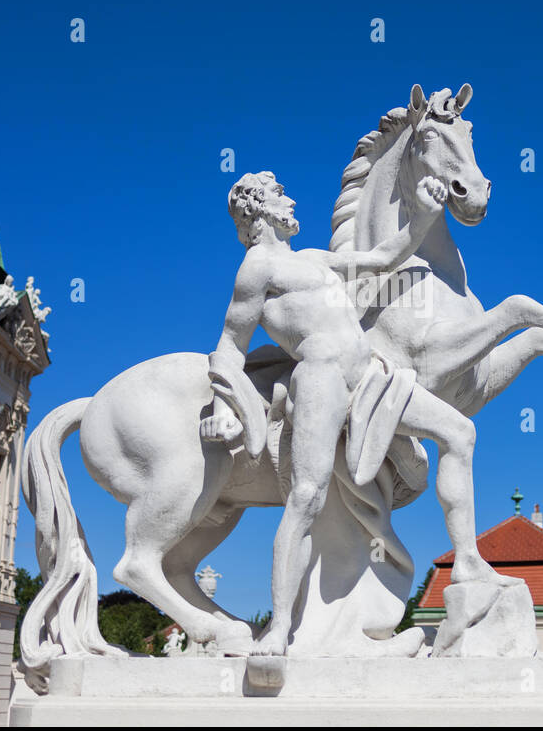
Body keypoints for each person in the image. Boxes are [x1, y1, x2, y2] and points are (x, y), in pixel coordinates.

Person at [200, 170, 519, 656]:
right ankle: (282, 629)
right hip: (322, 377)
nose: (290, 201)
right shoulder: (258, 266)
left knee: (459, 432)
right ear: (257, 208)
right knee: (306, 498)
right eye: (280, 194)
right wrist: (226, 402)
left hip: (372, 374)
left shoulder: (311, 259)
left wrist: (426, 214)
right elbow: (228, 344)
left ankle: (469, 563)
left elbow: (380, 259)